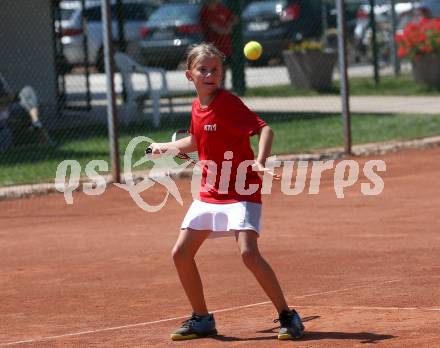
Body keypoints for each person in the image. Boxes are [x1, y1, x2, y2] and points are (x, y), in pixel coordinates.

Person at [147, 43, 304, 341]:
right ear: (189, 75)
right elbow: (194, 140)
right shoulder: (197, 107)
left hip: (242, 190)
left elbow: (265, 129)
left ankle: (287, 314)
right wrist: (164, 147)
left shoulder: (228, 103)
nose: (209, 74)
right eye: (202, 69)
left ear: (221, 74)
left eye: (214, 70)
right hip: (209, 191)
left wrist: (260, 160)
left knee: (248, 254)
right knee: (181, 253)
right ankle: (202, 319)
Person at [0, 73, 52, 150]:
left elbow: (9, 96)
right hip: (3, 115)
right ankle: (37, 125)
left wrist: (9, 99)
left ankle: (36, 123)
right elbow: (6, 98)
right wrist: (7, 99)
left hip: (6, 109)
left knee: (27, 92)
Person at [200, 0, 237, 65]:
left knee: (224, 69)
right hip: (213, 48)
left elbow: (234, 18)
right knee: (216, 69)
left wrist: (229, 24)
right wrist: (227, 30)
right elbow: (214, 27)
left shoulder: (221, 7)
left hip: (226, 48)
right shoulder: (206, 10)